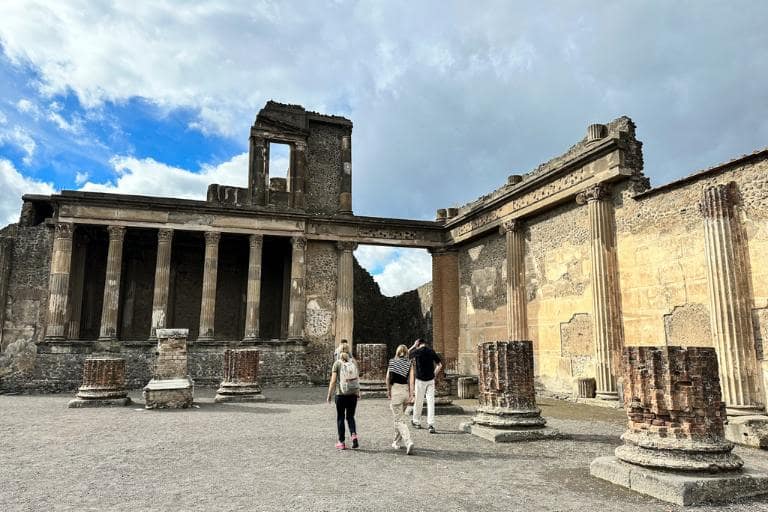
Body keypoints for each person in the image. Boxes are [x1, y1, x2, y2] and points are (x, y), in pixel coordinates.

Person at [327, 346, 360, 450]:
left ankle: (341, 442)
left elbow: (333, 381)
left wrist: (329, 395)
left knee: (340, 417)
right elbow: (356, 379)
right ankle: (354, 435)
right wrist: (358, 392)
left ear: (338, 353)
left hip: (340, 394)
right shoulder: (353, 363)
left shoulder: (337, 364)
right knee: (350, 416)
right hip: (352, 394)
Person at [409, 338, 443, 433]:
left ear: (418, 344)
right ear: (425, 343)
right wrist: (434, 375)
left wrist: (413, 346)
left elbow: (404, 355)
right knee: (431, 402)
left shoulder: (417, 351)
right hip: (430, 380)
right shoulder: (431, 351)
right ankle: (431, 425)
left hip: (420, 380)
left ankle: (416, 422)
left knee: (418, 401)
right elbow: (440, 365)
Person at [386, 344, 415, 455]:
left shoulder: (392, 362)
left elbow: (388, 378)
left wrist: (388, 391)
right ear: (406, 353)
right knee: (399, 417)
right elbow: (411, 381)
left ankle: (408, 442)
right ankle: (396, 441)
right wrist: (411, 395)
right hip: (405, 391)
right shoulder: (409, 364)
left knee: (399, 420)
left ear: (397, 352)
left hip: (396, 391)